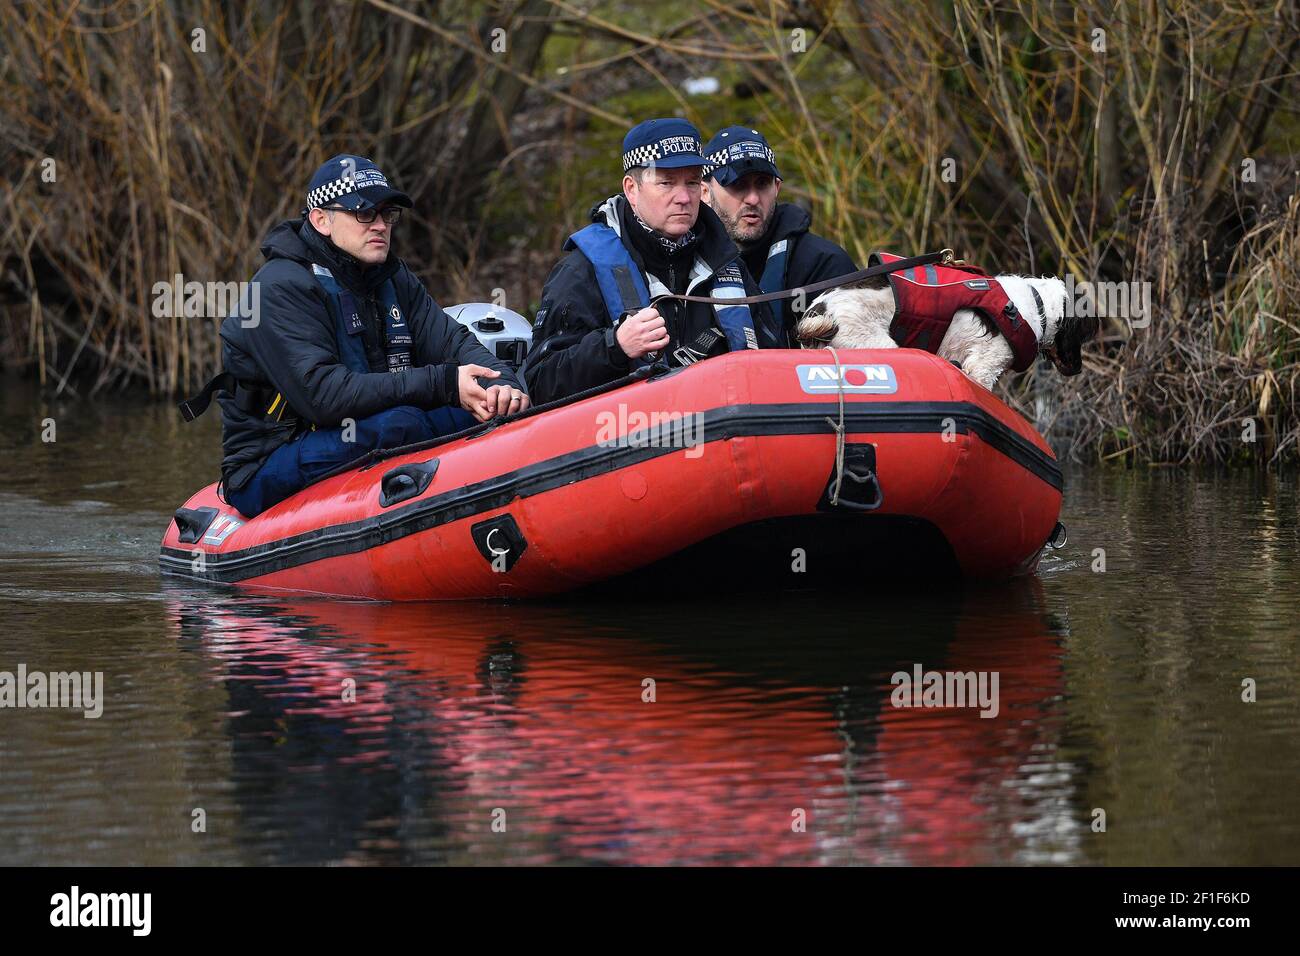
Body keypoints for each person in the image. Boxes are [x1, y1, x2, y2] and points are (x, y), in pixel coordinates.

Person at [180, 154, 528, 518]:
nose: (379, 225)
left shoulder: (392, 277)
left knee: (486, 410)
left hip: (372, 424)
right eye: (364, 213)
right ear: (321, 220)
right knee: (403, 423)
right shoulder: (278, 288)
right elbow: (324, 396)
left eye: (387, 214)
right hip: (269, 458)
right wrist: (444, 384)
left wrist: (501, 384)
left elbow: (453, 342)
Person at [523, 118, 781, 405]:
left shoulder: (728, 264)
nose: (683, 197)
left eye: (692, 182)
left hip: (728, 434)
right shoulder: (582, 270)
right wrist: (615, 346)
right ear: (632, 189)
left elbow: (774, 358)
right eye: (666, 183)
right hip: (628, 438)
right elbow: (541, 382)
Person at [701, 126, 857, 342]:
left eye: (762, 184)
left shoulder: (825, 264)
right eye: (737, 184)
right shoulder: (685, 265)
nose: (753, 199)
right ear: (704, 192)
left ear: (777, 188)